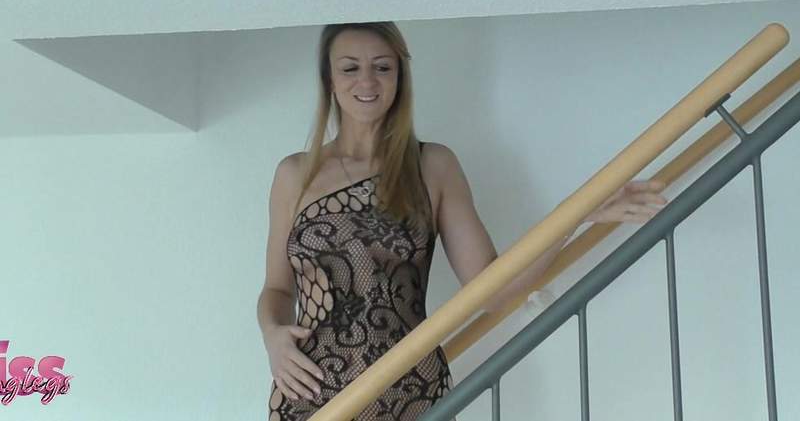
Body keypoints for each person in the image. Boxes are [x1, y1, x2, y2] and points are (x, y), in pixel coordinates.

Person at [257, 22, 668, 420]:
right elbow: (277, 289)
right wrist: (273, 337)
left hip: (409, 394)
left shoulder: (433, 165)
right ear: (328, 78)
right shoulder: (295, 174)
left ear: (400, 77)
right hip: (310, 393)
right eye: (350, 68)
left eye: (382, 67)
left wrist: (578, 213)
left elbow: (491, 291)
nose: (367, 81)